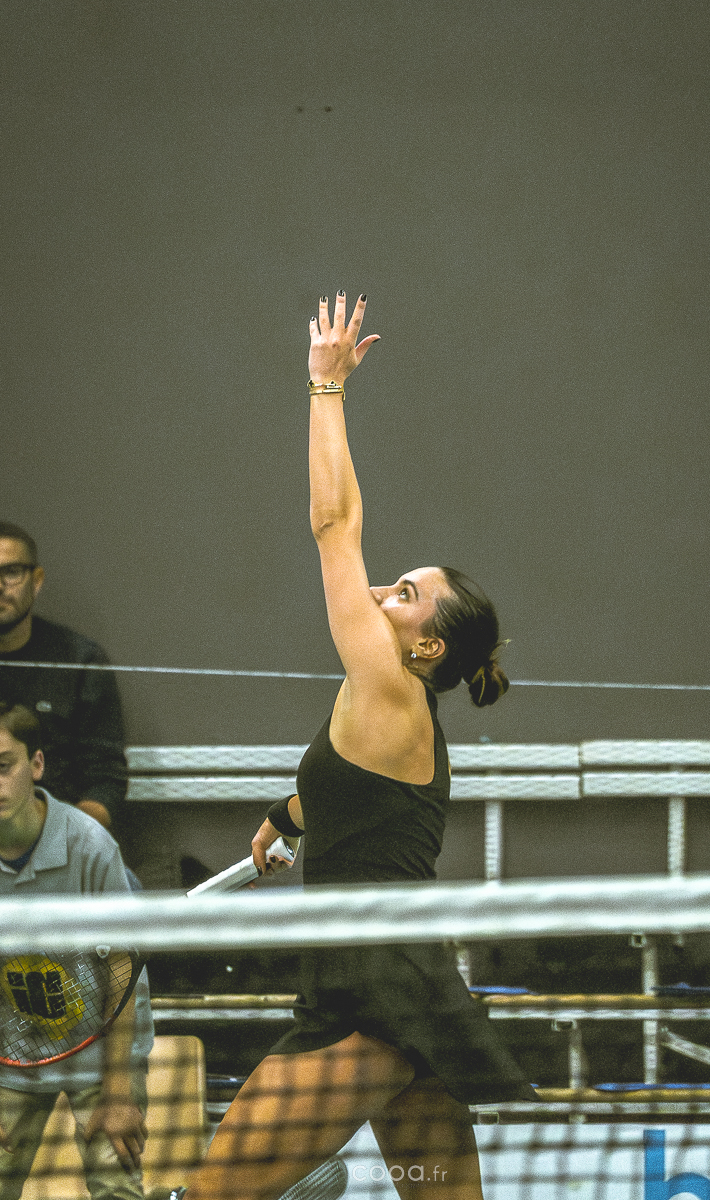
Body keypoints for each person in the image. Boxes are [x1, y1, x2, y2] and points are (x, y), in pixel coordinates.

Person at [180, 292, 536, 1200]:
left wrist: (325, 385)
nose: (380, 591)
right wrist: (287, 816)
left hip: (366, 995)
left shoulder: (389, 686)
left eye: (406, 594)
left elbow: (334, 525)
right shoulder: (393, 720)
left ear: (429, 648)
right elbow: (351, 799)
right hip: (406, 991)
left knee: (212, 1197)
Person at [0, 699, 153, 1200]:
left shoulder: (90, 846)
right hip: (11, 1054)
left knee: (116, 1180)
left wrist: (119, 1092)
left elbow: (123, 972)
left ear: (36, 764)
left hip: (102, 1049)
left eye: (3, 766)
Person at [0, 522, 128, 835]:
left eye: (11, 572)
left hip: (59, 840)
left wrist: (60, 840)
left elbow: (105, 780)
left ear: (36, 580)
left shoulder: (79, 660)